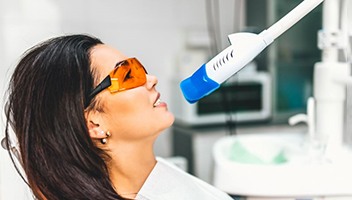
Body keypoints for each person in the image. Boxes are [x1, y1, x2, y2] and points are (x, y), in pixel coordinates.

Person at [4, 34, 234, 200]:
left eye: (140, 68)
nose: (151, 78)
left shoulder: (155, 173)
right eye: (128, 74)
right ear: (94, 123)